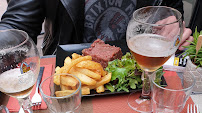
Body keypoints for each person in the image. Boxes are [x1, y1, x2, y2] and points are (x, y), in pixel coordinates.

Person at [0, 0, 193, 55]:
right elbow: (16, 26)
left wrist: (172, 28)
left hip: (138, 68)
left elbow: (172, 11)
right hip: (70, 71)